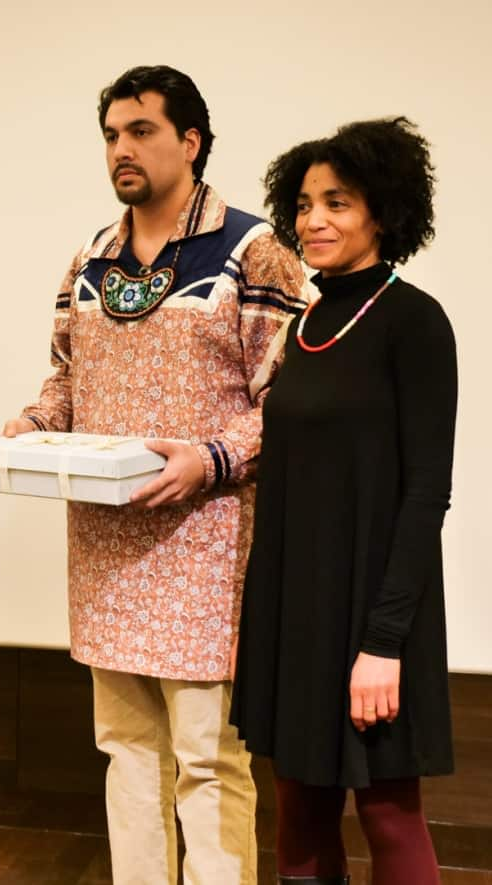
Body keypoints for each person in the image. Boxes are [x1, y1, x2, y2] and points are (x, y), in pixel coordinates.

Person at [4, 67, 306, 884]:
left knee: (209, 760)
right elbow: (65, 383)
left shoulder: (253, 250)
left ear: (192, 142)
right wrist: (29, 430)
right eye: (111, 134)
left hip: (209, 548)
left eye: (141, 131)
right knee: (127, 750)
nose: (121, 149)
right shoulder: (91, 259)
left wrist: (211, 459)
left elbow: (291, 398)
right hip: (106, 544)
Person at [230, 118, 455, 885]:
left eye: (338, 202)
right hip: (297, 604)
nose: (313, 220)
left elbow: (427, 491)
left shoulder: (414, 321)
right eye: (303, 204)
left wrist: (384, 641)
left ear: (382, 213)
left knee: (389, 811)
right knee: (297, 806)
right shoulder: (307, 319)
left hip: (377, 612)